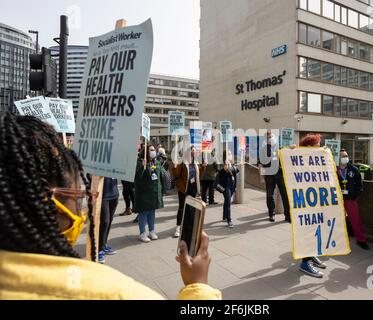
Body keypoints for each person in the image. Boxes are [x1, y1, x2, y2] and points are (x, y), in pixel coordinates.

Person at [0, 113, 221, 300]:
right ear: (54, 202)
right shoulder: (116, 293)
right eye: (79, 195)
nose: (83, 209)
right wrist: (198, 286)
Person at [297, 134, 328, 278]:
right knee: (308, 232)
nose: (319, 147)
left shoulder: (316, 160)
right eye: (317, 145)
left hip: (316, 201)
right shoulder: (300, 160)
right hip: (305, 202)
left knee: (316, 231)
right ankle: (305, 262)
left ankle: (311, 256)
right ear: (309, 147)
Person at [337, 149, 369, 250]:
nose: (345, 158)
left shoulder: (354, 169)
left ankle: (361, 240)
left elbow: (360, 185)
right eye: (342, 156)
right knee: (337, 221)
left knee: (356, 220)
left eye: (346, 155)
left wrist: (354, 196)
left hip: (350, 199)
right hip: (337, 200)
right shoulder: (333, 169)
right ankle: (337, 240)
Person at [171, 146, 205, 238]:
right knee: (182, 208)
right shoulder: (182, 163)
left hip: (193, 188)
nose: (194, 152)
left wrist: (203, 167)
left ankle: (190, 226)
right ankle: (178, 227)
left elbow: (199, 176)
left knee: (192, 208)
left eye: (195, 151)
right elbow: (176, 174)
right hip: (183, 189)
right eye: (192, 151)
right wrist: (174, 167)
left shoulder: (196, 163)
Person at [134, 145, 165, 242]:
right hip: (144, 193)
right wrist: (142, 168)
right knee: (144, 212)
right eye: (151, 150)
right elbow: (136, 179)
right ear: (146, 152)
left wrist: (162, 190)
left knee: (152, 211)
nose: (153, 151)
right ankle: (142, 233)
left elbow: (160, 177)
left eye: (154, 150)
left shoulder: (156, 162)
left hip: (154, 192)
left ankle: (152, 231)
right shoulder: (140, 162)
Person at [259, 130, 291, 223]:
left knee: (284, 195)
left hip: (280, 174)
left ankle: (288, 215)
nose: (269, 139)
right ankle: (271, 214)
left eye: (270, 137)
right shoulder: (263, 150)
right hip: (269, 175)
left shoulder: (280, 148)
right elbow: (261, 164)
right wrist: (261, 177)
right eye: (267, 137)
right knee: (269, 195)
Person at [98, 177, 119, 264]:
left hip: (114, 194)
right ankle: (100, 250)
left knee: (109, 221)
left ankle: (104, 244)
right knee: (104, 221)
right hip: (103, 195)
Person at [215, 159, 239, 228]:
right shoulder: (222, 171)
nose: (227, 165)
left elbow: (235, 177)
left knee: (226, 201)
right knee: (228, 202)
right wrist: (225, 170)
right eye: (226, 164)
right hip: (225, 188)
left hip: (231, 187)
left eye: (228, 164)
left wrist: (235, 187)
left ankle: (224, 216)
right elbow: (219, 179)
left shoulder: (233, 168)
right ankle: (229, 220)